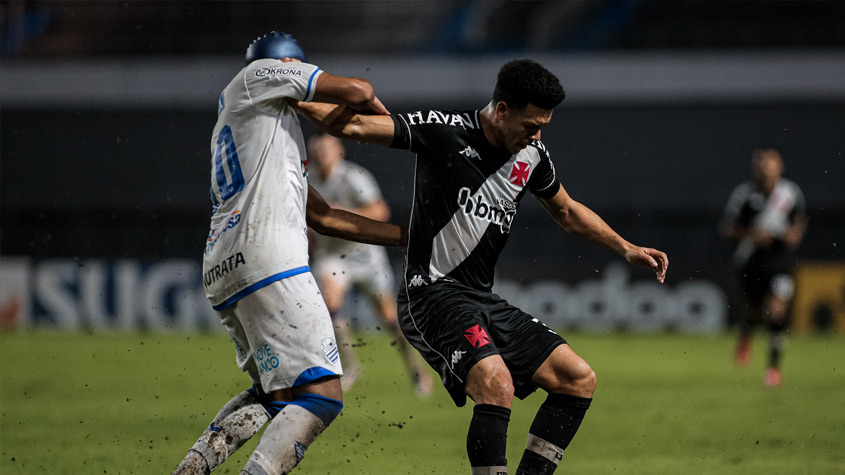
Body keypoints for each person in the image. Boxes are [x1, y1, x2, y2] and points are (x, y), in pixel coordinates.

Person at [294, 59, 668, 474]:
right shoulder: (444, 129)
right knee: (497, 384)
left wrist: (625, 247)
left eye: (543, 126)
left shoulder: (532, 156)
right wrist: (291, 92)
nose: (537, 135)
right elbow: (354, 127)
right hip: (431, 294)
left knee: (577, 378)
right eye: (531, 124)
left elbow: (566, 211)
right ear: (503, 110)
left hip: (481, 298)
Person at [171, 31, 406, 475]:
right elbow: (360, 91)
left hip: (224, 264)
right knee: (322, 396)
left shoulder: (259, 127)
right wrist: (393, 131)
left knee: (275, 394)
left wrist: (407, 237)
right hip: (269, 257)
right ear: (289, 68)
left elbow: (324, 216)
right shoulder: (256, 76)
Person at [306, 133, 433, 395]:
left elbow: (380, 212)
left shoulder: (353, 177)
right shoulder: (308, 181)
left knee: (389, 318)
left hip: (364, 254)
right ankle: (350, 366)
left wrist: (338, 214)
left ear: (338, 151)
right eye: (318, 152)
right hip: (331, 254)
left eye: (327, 151)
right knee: (330, 304)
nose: (322, 156)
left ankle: (416, 369)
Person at [720, 147, 807, 387]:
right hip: (750, 261)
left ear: (779, 167)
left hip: (779, 262)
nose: (765, 169)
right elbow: (727, 226)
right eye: (761, 165)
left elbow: (799, 220)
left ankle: (773, 368)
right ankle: (746, 335)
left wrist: (793, 235)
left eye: (769, 164)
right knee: (754, 313)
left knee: (776, 310)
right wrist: (752, 235)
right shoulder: (744, 195)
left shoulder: (789, 193)